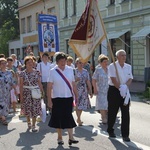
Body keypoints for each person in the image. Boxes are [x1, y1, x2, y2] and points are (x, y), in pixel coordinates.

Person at [47, 52, 79, 145]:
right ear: (57, 62)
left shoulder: (70, 70)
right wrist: (49, 100)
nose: (63, 62)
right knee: (58, 118)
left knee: (68, 116)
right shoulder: (53, 71)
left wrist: (76, 95)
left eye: (64, 60)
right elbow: (49, 86)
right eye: (61, 61)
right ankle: (59, 137)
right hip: (57, 98)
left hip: (68, 97)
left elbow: (73, 83)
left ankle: (71, 137)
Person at [107, 49, 133, 142]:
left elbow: (130, 78)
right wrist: (119, 88)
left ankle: (125, 134)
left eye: (125, 55)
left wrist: (125, 87)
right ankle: (110, 130)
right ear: (117, 57)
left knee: (126, 113)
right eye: (122, 55)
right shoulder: (112, 66)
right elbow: (113, 79)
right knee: (112, 112)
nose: (124, 57)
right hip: (114, 91)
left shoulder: (128, 66)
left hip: (125, 90)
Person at [19, 56, 44, 132]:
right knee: (27, 108)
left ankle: (33, 125)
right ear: (25, 64)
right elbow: (21, 85)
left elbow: (39, 83)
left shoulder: (37, 72)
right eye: (28, 62)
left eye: (31, 62)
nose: (30, 64)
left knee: (35, 108)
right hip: (26, 93)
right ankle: (28, 121)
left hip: (35, 92)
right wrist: (21, 96)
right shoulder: (22, 73)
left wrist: (42, 92)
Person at [75, 58, 93, 126]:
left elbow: (88, 81)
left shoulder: (85, 71)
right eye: (80, 63)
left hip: (83, 90)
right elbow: (71, 81)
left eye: (82, 63)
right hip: (76, 90)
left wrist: (90, 90)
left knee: (82, 105)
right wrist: (76, 79)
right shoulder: (74, 71)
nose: (81, 64)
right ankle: (78, 118)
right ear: (76, 63)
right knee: (77, 104)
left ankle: (79, 118)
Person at [92, 54, 109, 124]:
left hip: (109, 89)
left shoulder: (109, 69)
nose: (106, 63)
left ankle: (105, 115)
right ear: (101, 63)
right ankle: (103, 117)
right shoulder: (98, 70)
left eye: (107, 61)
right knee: (102, 104)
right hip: (101, 89)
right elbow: (93, 79)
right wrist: (95, 89)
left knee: (108, 104)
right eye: (104, 61)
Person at [0, 58, 17, 125]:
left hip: (7, 92)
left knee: (6, 105)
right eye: (2, 63)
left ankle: (2, 116)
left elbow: (12, 82)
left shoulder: (9, 72)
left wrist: (15, 89)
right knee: (2, 105)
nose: (4, 65)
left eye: (5, 63)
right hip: (0, 92)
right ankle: (3, 119)